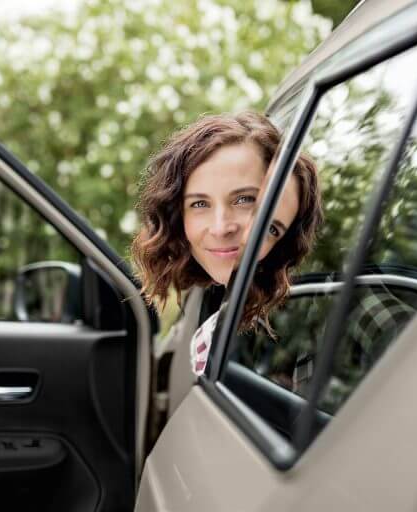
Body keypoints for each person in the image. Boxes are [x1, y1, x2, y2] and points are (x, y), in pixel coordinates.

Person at [131, 112, 322, 375]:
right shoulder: (213, 296)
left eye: (245, 199)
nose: (220, 228)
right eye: (200, 203)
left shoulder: (313, 312)